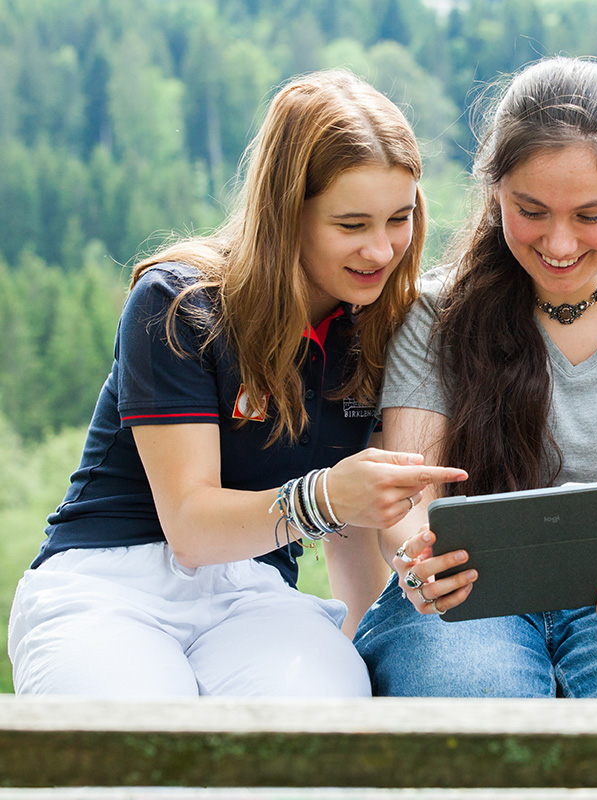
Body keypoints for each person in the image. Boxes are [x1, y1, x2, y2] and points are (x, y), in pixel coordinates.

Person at [8, 70, 467, 697]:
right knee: (140, 747)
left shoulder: (382, 328)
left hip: (255, 593)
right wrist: (328, 497)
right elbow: (192, 530)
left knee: (321, 723)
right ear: (286, 214)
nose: (382, 251)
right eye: (352, 225)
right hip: (111, 579)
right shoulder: (178, 303)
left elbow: (362, 517)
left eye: (399, 219)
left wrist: (364, 633)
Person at [346, 57, 597, 698]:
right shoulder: (437, 313)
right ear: (495, 191)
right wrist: (419, 564)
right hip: (466, 599)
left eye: (591, 216)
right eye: (530, 210)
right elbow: (410, 496)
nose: (559, 244)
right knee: (478, 704)